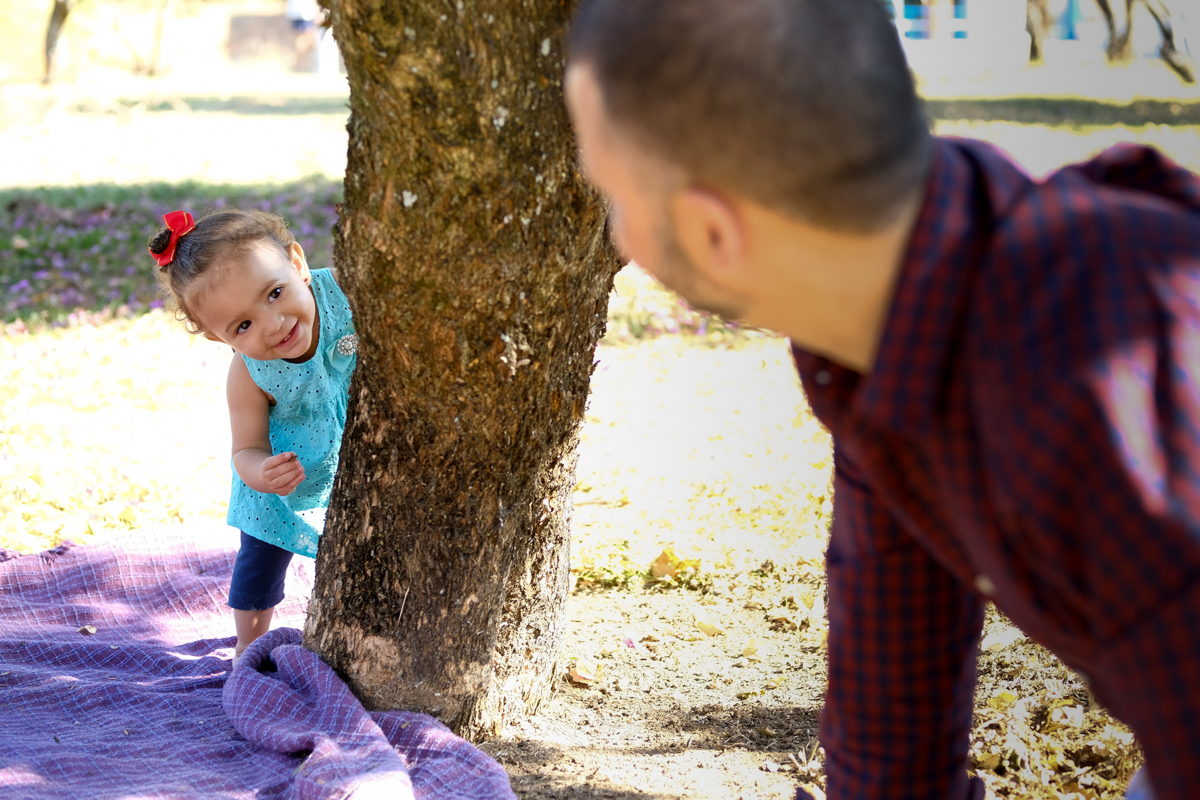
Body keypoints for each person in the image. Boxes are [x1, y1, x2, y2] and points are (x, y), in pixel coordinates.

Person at [563, 1, 1200, 799]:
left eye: (614, 198)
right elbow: (893, 725)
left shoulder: (1106, 389)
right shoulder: (875, 340)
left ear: (714, 232)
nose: (619, 238)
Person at [148, 209, 357, 665]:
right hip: (279, 482)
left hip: (353, 463)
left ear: (296, 262)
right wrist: (261, 472)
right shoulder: (248, 372)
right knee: (259, 563)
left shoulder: (346, 293)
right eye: (242, 326)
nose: (272, 324)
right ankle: (247, 643)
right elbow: (244, 447)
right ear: (214, 336)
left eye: (275, 293)